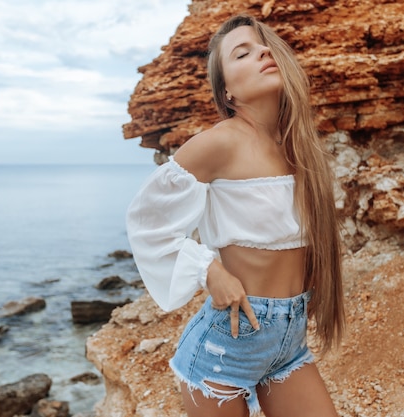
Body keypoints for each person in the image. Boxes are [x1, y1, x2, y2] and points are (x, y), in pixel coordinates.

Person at [126, 14, 345, 417]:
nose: (263, 52)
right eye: (242, 53)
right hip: (224, 347)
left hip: (288, 342)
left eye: (264, 46)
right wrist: (210, 272)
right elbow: (147, 221)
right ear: (227, 93)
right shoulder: (218, 144)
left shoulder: (297, 148)